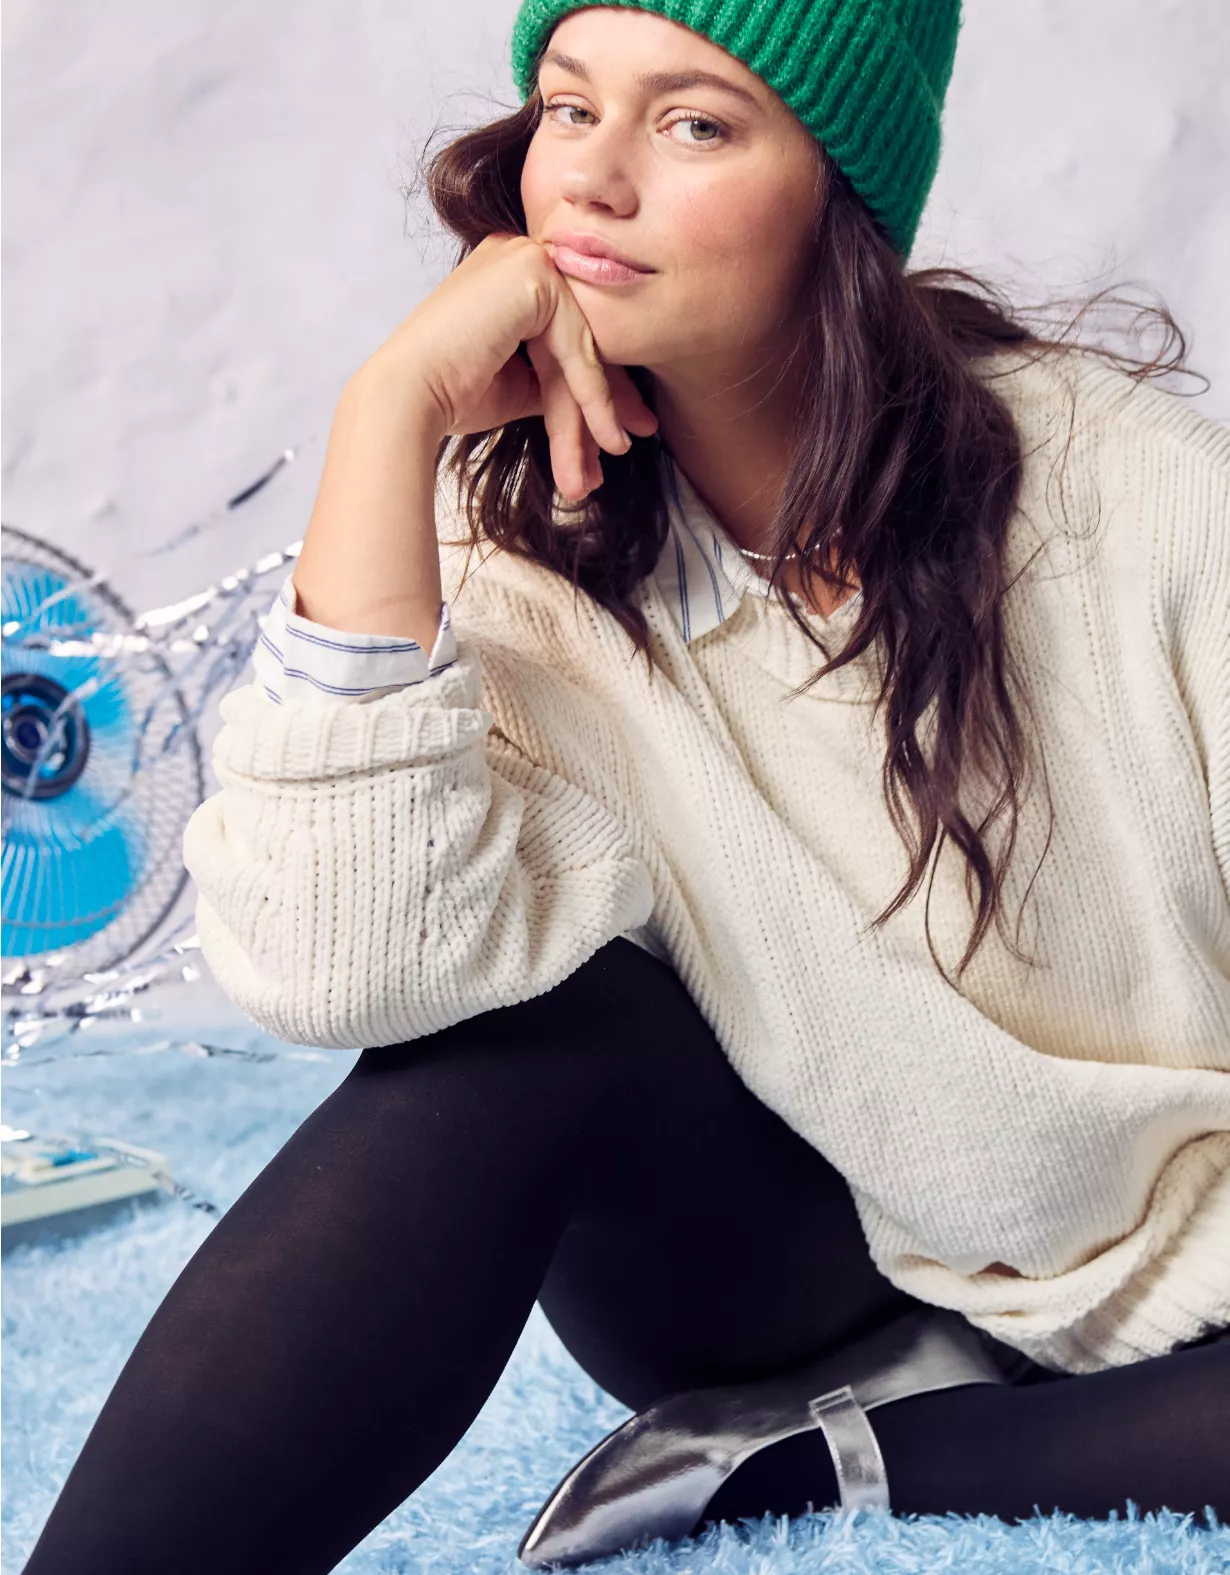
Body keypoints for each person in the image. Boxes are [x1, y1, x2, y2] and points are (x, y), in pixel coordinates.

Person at [24, 2, 1230, 1571]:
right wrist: (383, 421)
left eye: (694, 123)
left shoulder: (1129, 495)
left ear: (841, 189)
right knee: (508, 1039)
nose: (590, 179)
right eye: (567, 106)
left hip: (1195, 1261)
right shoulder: (506, 542)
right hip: (806, 1265)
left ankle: (853, 1461)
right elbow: (343, 972)